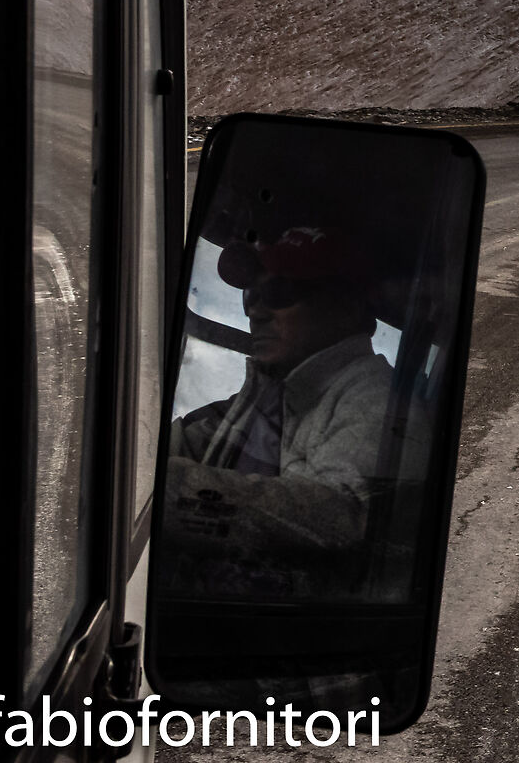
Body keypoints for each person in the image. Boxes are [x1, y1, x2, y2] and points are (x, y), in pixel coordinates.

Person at [162, 221, 399, 592]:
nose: (255, 312)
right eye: (251, 296)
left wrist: (171, 491)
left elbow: (341, 518)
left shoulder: (376, 399)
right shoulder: (268, 399)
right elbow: (186, 440)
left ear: (347, 308)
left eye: (279, 292)